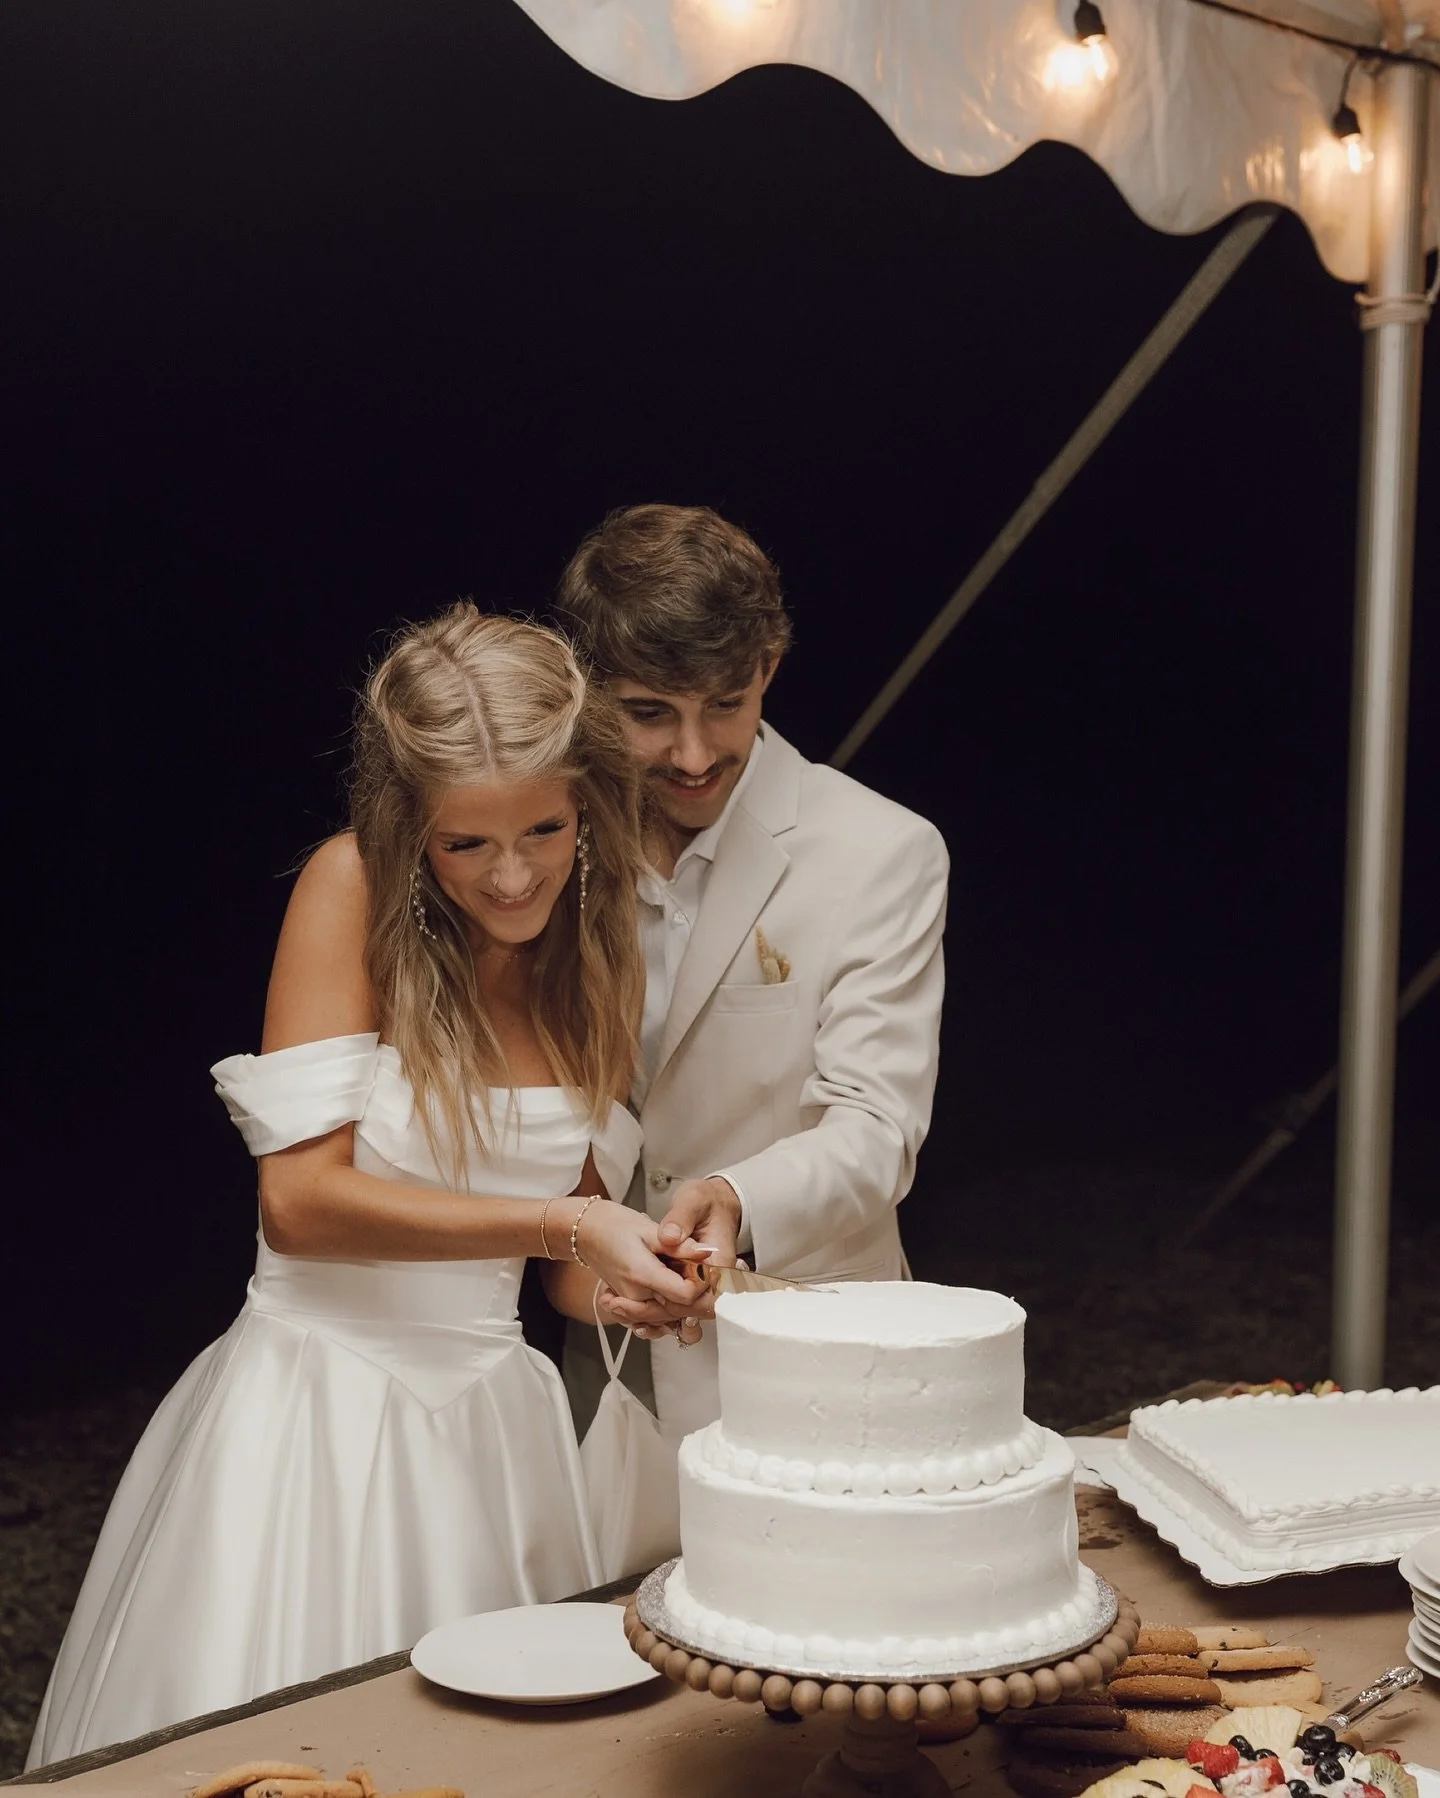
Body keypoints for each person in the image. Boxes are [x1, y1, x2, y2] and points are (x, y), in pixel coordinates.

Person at [28, 606, 706, 1768]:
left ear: (586, 798)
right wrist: (571, 1219)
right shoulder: (349, 887)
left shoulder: (601, 942)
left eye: (543, 830)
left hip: (497, 1433)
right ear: (408, 824)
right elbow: (301, 1202)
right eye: (464, 845)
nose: (511, 875)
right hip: (319, 1420)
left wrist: (629, 1281)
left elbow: (553, 1273)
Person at [556, 504, 948, 1442]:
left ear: (768, 670)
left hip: (809, 1354)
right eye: (650, 715)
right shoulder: (545, 847)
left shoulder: (880, 850)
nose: (693, 756)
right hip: (595, 1357)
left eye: (724, 706)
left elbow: (877, 1128)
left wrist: (737, 1196)